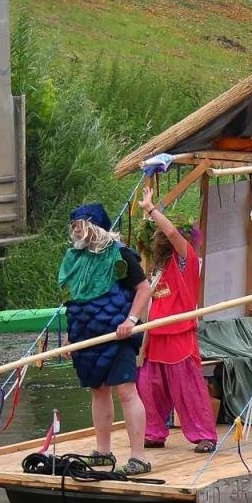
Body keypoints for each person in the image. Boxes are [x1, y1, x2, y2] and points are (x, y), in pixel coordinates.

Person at [58, 203, 153, 475]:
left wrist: (130, 320)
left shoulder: (120, 254)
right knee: (98, 390)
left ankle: (138, 457)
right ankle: (102, 451)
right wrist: (70, 337)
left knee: (125, 390)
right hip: (86, 333)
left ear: (93, 226)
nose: (75, 230)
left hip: (118, 332)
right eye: (73, 226)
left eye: (79, 225)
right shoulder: (75, 259)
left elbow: (144, 289)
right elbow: (74, 301)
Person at [135, 186, 217, 453]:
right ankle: (154, 433)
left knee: (188, 388)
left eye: (162, 234)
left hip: (180, 337)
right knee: (149, 387)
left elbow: (170, 232)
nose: (161, 237)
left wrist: (151, 208)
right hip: (156, 337)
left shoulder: (186, 260)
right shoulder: (157, 268)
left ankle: (204, 435)